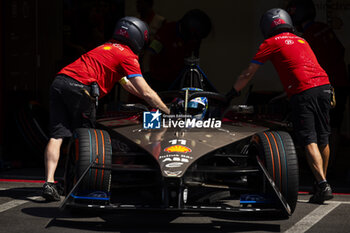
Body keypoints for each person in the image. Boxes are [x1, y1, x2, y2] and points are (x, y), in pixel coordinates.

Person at [42, 16, 170, 201]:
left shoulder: (106, 47)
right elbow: (147, 91)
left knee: (57, 136)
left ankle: (49, 183)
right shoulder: (127, 55)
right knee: (88, 140)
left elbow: (127, 84)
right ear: (139, 37)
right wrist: (166, 110)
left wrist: (146, 97)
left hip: (60, 82)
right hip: (81, 87)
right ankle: (80, 185)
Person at [226, 8, 333, 204]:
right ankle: (321, 184)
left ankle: (323, 184)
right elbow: (306, 70)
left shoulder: (270, 42)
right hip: (324, 87)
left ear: (266, 26)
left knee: (309, 138)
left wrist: (232, 93)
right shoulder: (301, 40)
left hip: (304, 92)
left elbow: (248, 74)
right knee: (323, 136)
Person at [142, 9, 212, 91]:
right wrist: (147, 76)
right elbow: (150, 53)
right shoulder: (166, 31)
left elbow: (194, 60)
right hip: (158, 80)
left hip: (178, 81)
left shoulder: (194, 41)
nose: (195, 40)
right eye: (194, 37)